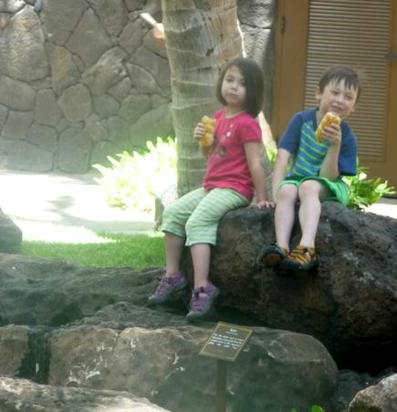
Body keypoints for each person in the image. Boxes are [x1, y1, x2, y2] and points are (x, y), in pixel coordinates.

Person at [148, 57, 273, 321]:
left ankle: (202, 288)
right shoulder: (218, 117)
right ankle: (173, 276)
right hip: (213, 185)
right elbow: (213, 156)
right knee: (172, 214)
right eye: (230, 80)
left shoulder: (248, 122)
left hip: (235, 188)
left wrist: (261, 198)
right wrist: (203, 142)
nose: (234, 87)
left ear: (253, 92)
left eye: (242, 84)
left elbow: (255, 162)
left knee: (196, 223)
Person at [261, 66, 360, 271]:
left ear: (354, 106)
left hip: (331, 185)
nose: (340, 100)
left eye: (348, 97)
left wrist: (335, 145)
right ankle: (282, 246)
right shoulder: (301, 120)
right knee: (288, 190)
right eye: (335, 92)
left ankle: (307, 247)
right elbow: (282, 157)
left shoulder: (347, 136)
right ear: (318, 93)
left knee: (309, 186)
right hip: (298, 180)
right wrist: (277, 192)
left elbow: (329, 176)